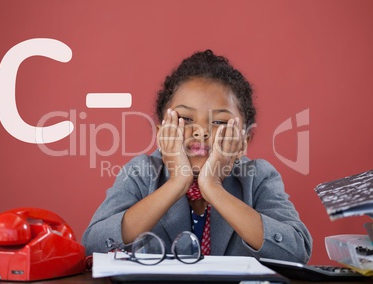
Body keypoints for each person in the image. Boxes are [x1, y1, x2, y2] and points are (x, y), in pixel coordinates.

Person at [82, 49, 312, 263]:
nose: (201, 131)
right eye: (186, 119)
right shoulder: (141, 172)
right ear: (162, 133)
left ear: (243, 142)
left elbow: (297, 251)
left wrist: (213, 187)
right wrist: (176, 182)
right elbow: (93, 245)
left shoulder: (258, 177)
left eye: (219, 122)